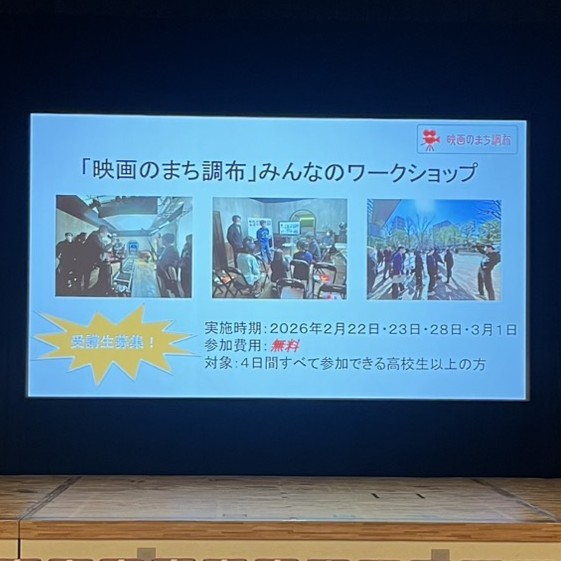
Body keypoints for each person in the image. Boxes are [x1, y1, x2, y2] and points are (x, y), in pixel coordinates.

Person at [82, 225, 111, 293]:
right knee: (87, 275)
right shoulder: (94, 236)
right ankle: (85, 291)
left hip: (90, 259)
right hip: (86, 259)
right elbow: (103, 248)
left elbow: (101, 247)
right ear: (103, 232)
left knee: (88, 275)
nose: (105, 236)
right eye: (105, 234)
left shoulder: (96, 235)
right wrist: (111, 243)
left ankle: (90, 288)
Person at [157, 233, 180, 297]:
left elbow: (171, 266)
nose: (161, 241)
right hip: (165, 276)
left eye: (162, 239)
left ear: (165, 240)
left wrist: (172, 281)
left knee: (170, 292)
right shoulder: (167, 249)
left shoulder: (172, 250)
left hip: (168, 277)